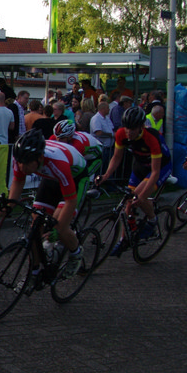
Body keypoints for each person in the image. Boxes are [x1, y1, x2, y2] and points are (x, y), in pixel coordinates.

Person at [2, 129, 86, 281]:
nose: (22, 167)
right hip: (51, 178)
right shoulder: (22, 157)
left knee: (60, 226)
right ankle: (34, 273)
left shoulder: (58, 164)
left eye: (26, 163)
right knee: (35, 226)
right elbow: (18, 181)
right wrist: (9, 206)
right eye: (20, 162)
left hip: (75, 177)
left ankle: (76, 254)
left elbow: (70, 201)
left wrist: (57, 229)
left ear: (40, 158)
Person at [96, 106, 172, 257]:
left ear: (141, 127)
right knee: (128, 203)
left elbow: (155, 172)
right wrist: (106, 175)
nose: (128, 132)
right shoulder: (121, 134)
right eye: (126, 127)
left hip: (160, 167)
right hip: (140, 166)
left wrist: (142, 196)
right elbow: (117, 157)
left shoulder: (151, 138)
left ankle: (152, 221)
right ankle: (124, 239)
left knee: (138, 196)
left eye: (133, 129)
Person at [51, 119, 104, 208]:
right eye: (57, 137)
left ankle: (77, 204)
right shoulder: (56, 137)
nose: (58, 140)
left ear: (70, 137)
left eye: (62, 138)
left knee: (79, 177)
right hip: (84, 155)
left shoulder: (78, 144)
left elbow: (71, 165)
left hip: (94, 159)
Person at [90, 99, 115, 170]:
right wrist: (111, 135)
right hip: (101, 148)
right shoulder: (96, 119)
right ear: (102, 109)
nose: (109, 109)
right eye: (107, 108)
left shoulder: (107, 118)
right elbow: (98, 133)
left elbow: (112, 128)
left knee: (107, 167)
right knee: (101, 168)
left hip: (109, 148)